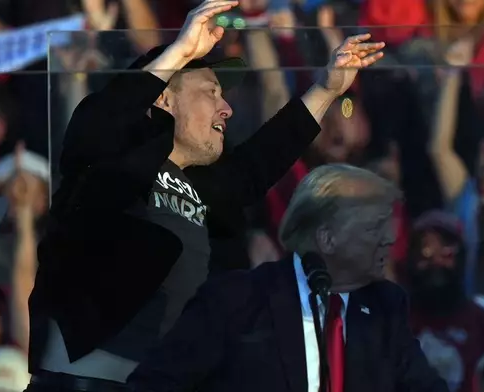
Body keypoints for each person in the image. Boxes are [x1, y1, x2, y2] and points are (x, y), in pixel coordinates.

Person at [25, 0, 386, 391]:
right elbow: (100, 122)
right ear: (163, 98)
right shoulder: (111, 158)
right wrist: (180, 51)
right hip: (83, 381)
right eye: (211, 91)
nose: (227, 108)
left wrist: (326, 90)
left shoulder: (201, 183)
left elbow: (257, 164)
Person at [126, 164, 448, 392]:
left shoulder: (385, 307)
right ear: (328, 239)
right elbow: (152, 385)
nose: (391, 238)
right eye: (373, 227)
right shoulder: (236, 301)